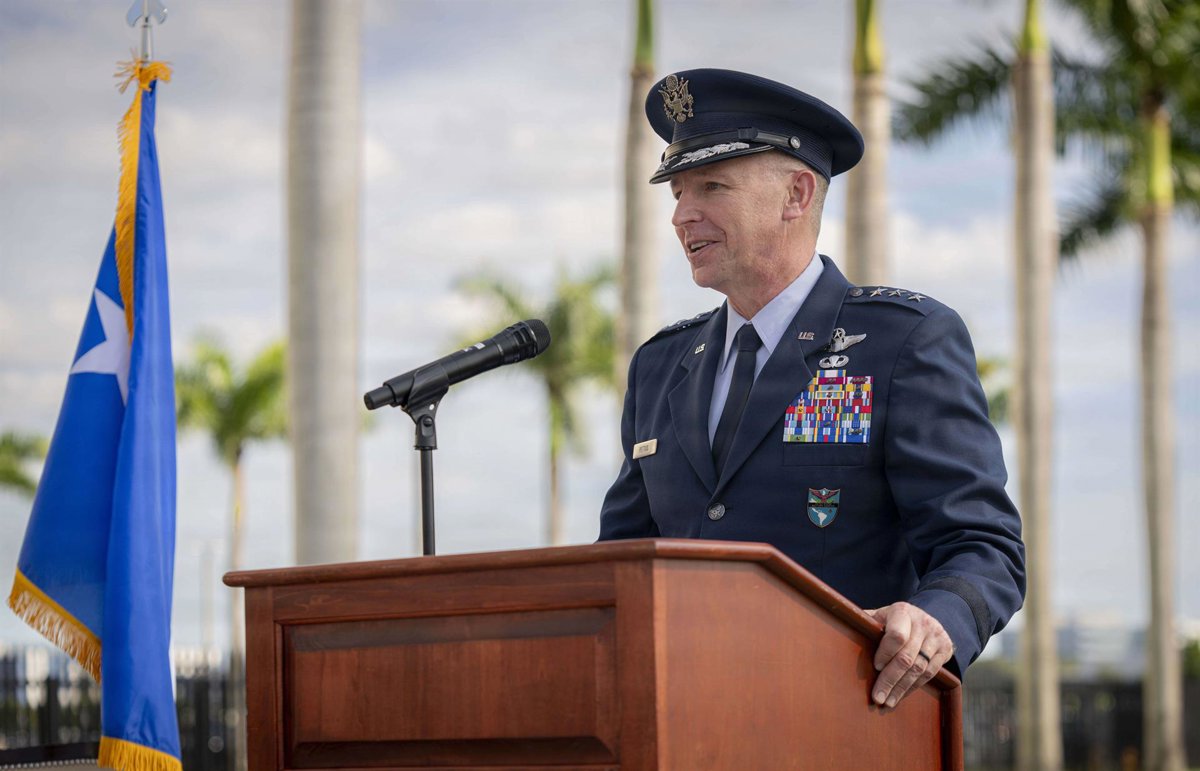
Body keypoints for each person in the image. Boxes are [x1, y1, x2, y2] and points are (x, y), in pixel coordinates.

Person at [598, 68, 1025, 708]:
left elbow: (981, 545)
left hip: (841, 713)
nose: (683, 215)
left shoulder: (903, 341)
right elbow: (622, 559)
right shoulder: (661, 365)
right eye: (678, 192)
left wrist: (934, 621)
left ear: (796, 194)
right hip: (680, 712)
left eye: (712, 186)